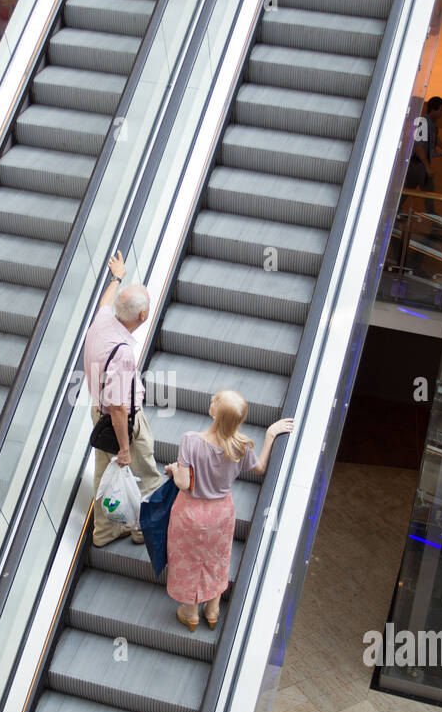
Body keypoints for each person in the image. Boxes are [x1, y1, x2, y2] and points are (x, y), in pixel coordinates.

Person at [164, 391, 293, 631]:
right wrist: (270, 434)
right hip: (221, 513)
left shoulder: (190, 440)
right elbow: (260, 467)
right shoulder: (241, 446)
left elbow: (182, 483)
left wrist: (174, 468)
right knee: (217, 558)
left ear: (215, 413)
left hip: (190, 512)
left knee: (187, 559)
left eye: (214, 402)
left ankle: (191, 612)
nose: (211, 403)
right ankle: (212, 609)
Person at [83, 251, 163, 546]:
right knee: (147, 474)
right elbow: (119, 408)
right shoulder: (123, 354)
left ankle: (103, 533)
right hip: (123, 422)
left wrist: (117, 277)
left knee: (104, 476)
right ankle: (141, 530)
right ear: (142, 316)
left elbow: (105, 302)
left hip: (97, 414)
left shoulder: (103, 319)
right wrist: (126, 448)